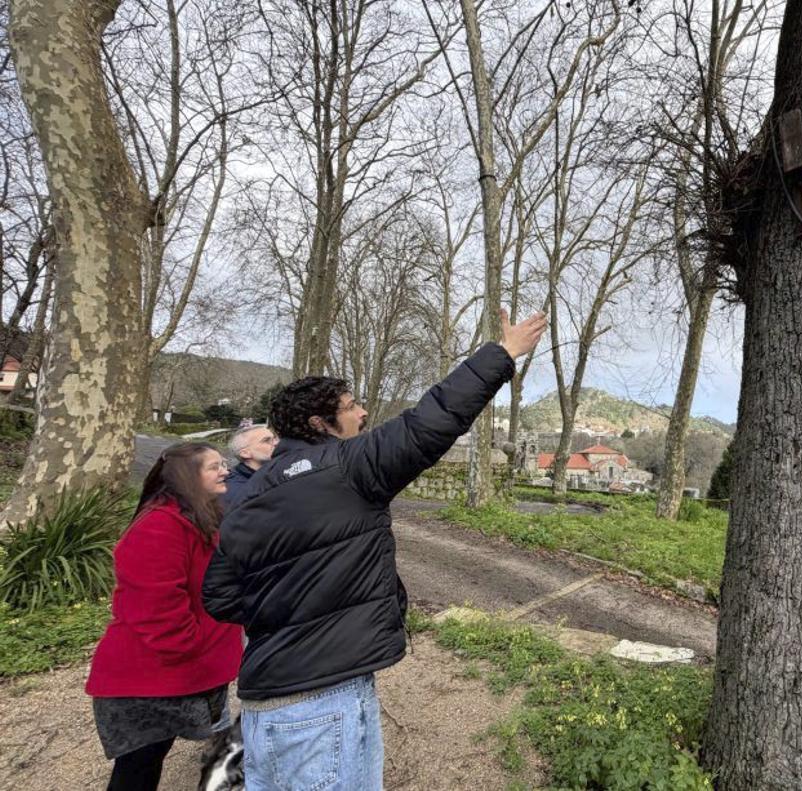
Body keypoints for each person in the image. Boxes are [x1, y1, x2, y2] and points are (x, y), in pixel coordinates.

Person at [203, 310, 546, 791]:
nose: (362, 413)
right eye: (351, 406)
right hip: (324, 708)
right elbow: (432, 420)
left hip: (262, 709)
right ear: (320, 423)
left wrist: (293, 608)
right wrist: (503, 353)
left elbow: (218, 596)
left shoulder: (249, 495)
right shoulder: (348, 466)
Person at [86, 442, 244, 791]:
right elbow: (156, 610)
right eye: (214, 466)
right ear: (188, 476)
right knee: (137, 771)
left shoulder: (196, 518)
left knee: (149, 763)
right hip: (145, 681)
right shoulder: (159, 526)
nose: (225, 471)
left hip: (174, 676)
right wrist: (197, 648)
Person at [222, 424, 278, 508]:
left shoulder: (277, 472)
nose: (276, 443)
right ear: (245, 453)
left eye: (274, 438)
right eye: (266, 440)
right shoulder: (239, 492)